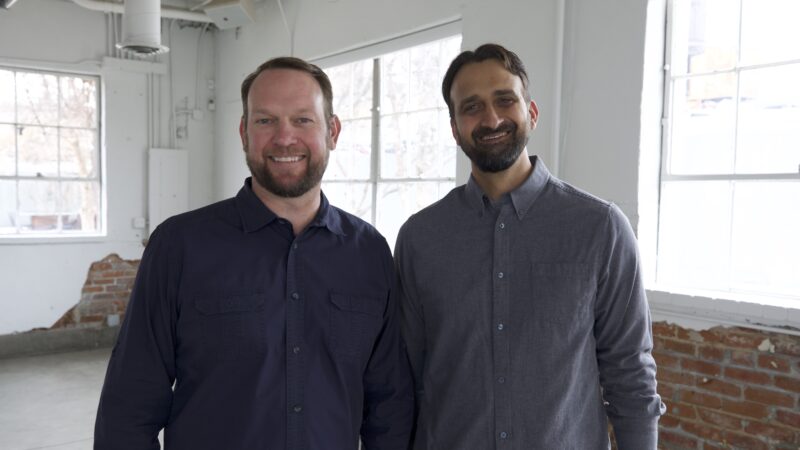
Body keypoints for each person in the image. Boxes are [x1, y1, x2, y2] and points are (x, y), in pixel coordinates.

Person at [95, 57, 413, 450]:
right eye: (265, 121)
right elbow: (128, 407)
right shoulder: (179, 246)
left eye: (302, 120)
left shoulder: (369, 253)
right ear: (244, 132)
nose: (284, 138)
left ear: (332, 131)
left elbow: (389, 405)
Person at [394, 43, 665, 450]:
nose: (491, 118)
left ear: (531, 113)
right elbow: (406, 376)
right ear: (454, 129)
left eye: (505, 99)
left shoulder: (600, 228)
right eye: (471, 107)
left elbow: (630, 374)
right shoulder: (420, 237)